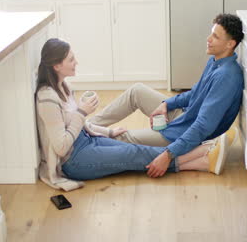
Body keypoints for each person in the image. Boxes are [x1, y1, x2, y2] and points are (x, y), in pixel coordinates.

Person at [35, 38, 232, 191]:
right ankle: (203, 157)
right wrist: (82, 114)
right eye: (71, 59)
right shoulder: (48, 97)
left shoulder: (64, 86)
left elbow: (77, 125)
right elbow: (61, 147)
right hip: (74, 159)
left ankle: (204, 159)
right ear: (56, 66)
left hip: (86, 140)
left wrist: (105, 131)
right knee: (133, 152)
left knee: (133, 150)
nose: (76, 62)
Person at [89, 13, 244, 178]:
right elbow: (195, 93)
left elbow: (203, 126)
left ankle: (84, 141)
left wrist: (169, 154)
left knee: (123, 138)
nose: (208, 39)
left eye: (215, 36)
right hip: (185, 117)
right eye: (211, 33)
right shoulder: (216, 61)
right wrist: (167, 104)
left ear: (230, 44)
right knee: (136, 91)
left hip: (185, 133)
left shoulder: (226, 76)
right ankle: (85, 127)